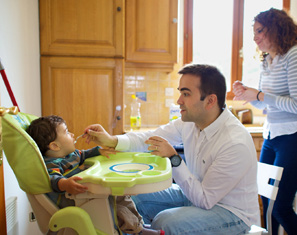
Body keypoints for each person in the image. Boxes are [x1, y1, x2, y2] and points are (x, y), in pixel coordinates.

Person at [84, 64, 260, 235]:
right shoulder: (191, 123)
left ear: (210, 101)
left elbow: (205, 200)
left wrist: (174, 159)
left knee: (165, 222)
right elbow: (151, 137)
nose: (179, 101)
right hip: (196, 194)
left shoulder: (234, 142)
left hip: (232, 213)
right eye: (180, 93)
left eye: (186, 94)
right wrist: (112, 140)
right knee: (132, 198)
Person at [233, 8, 297, 235]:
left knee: (280, 206)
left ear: (277, 29)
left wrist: (259, 95)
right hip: (273, 134)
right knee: (267, 202)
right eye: (254, 32)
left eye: (260, 30)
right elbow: (268, 103)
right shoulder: (268, 60)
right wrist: (248, 94)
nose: (255, 37)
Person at [26, 115, 164, 235]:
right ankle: (137, 230)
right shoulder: (53, 163)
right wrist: (65, 184)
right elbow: (53, 179)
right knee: (115, 200)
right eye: (67, 132)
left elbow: (85, 154)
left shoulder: (71, 155)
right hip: (79, 198)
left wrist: (99, 151)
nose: (72, 134)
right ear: (55, 146)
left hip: (89, 193)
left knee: (122, 194)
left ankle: (137, 225)